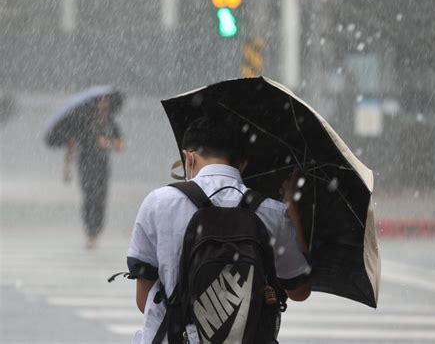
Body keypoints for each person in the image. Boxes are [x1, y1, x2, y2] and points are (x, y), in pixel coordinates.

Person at [127, 116, 311, 343]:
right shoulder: (271, 212)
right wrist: (291, 206)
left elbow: (143, 300)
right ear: (242, 164)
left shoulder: (159, 203)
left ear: (189, 157)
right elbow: (299, 291)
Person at [64, 96, 124, 248]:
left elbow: (120, 145)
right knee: (89, 197)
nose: (102, 105)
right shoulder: (84, 123)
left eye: (105, 101)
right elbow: (71, 144)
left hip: (103, 166)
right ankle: (90, 232)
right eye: (99, 101)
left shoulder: (111, 124)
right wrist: (66, 167)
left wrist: (107, 143)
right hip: (85, 165)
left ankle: (96, 231)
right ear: (93, 104)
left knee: (101, 198)